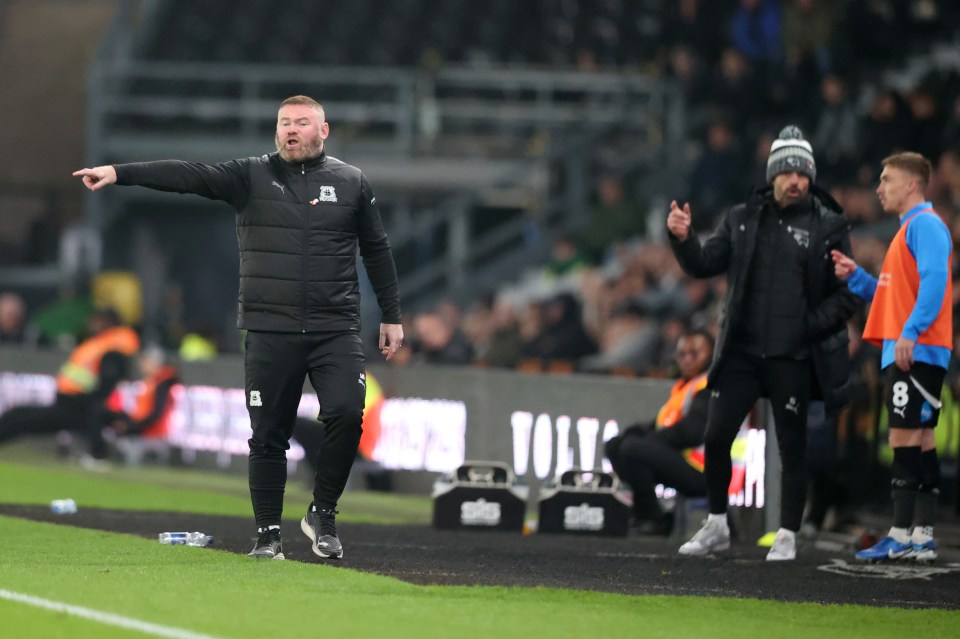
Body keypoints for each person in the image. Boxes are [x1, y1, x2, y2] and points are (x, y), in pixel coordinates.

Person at [73, 95, 404, 561]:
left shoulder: (351, 183)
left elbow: (377, 249)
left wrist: (391, 315)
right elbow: (188, 176)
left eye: (301, 123)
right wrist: (120, 172)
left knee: (348, 415)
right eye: (284, 122)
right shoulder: (250, 176)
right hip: (270, 330)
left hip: (335, 328)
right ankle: (268, 535)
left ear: (323, 131)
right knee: (268, 434)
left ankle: (322, 513)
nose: (290, 130)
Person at [666, 125, 858, 560]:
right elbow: (705, 263)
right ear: (773, 175)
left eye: (804, 174)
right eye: (789, 173)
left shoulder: (829, 225)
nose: (797, 181)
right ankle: (716, 523)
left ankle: (787, 532)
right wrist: (683, 239)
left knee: (793, 447)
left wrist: (812, 324)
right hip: (743, 353)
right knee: (715, 437)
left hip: (793, 355)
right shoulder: (741, 218)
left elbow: (849, 292)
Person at [832, 152, 951, 563]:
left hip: (913, 350)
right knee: (920, 438)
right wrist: (857, 278)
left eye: (887, 179)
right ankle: (922, 534)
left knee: (902, 436)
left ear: (913, 184)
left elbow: (938, 282)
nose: (879, 188)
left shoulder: (925, 226)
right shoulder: (907, 232)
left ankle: (900, 534)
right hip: (914, 347)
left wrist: (910, 333)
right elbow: (890, 297)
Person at [604, 329, 714, 534]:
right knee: (616, 445)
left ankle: (651, 518)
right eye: (682, 354)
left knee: (634, 449)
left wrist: (649, 440)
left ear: (712, 354)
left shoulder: (709, 386)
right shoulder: (685, 387)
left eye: (695, 353)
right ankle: (648, 513)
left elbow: (692, 432)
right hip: (684, 463)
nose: (688, 359)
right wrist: (638, 432)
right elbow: (661, 425)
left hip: (707, 472)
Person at [0, 307, 140, 463]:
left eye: (96, 319)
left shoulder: (112, 349)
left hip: (78, 404)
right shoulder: (98, 344)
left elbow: (103, 390)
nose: (91, 323)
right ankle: (98, 455)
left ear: (107, 322)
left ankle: (98, 456)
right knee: (19, 416)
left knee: (21, 418)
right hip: (72, 403)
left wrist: (94, 406)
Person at [111, 345, 180, 466]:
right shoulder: (150, 381)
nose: (141, 365)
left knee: (128, 447)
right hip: (143, 429)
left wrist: (131, 427)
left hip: (154, 434)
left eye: (145, 361)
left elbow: (156, 413)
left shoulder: (163, 383)